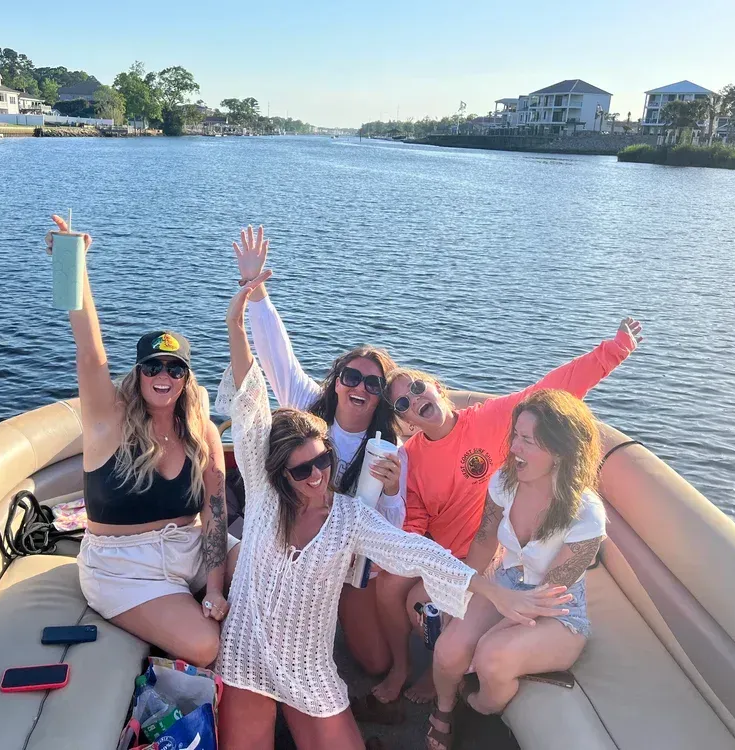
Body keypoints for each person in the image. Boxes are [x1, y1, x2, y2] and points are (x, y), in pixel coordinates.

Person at [214, 271, 573, 750]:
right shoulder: (261, 493)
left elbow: (416, 552)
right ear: (277, 473)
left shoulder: (350, 517)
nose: (317, 476)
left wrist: (491, 590)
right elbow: (252, 400)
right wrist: (237, 325)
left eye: (324, 461)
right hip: (247, 654)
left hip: (306, 666)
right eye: (302, 471)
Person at [373, 317, 642, 703]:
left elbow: (555, 388)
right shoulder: (410, 458)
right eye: (404, 403)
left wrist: (614, 350)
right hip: (452, 555)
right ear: (406, 420)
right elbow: (414, 523)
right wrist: (400, 510)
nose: (415, 400)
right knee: (387, 584)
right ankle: (401, 667)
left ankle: (439, 677)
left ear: (436, 387)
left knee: (423, 609)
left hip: (497, 549)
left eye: (417, 388)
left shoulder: (491, 419)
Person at [44, 215, 229, 668]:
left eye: (174, 368)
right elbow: (90, 350)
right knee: (206, 646)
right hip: (123, 568)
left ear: (186, 378)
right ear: (138, 373)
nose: (162, 376)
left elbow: (216, 515)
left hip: (189, 550)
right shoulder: (108, 423)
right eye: (152, 367)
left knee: (272, 565)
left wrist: (218, 587)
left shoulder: (201, 431)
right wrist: (75, 265)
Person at [232, 224, 407, 676]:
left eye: (373, 383)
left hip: (346, 564)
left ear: (381, 397)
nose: (360, 388)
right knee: (281, 638)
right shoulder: (308, 406)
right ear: (337, 381)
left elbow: (390, 530)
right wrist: (255, 292)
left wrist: (391, 493)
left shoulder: (388, 449)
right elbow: (275, 352)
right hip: (289, 545)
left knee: (374, 662)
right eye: (351, 376)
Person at [426, 389, 607, 750]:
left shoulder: (587, 515)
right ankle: (444, 711)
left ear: (559, 451)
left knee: (491, 657)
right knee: (448, 650)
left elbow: (548, 596)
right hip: (506, 583)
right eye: (516, 437)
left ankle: (476, 708)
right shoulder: (504, 482)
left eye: (527, 441)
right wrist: (458, 596)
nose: (514, 449)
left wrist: (484, 638)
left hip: (557, 612)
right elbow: (482, 543)